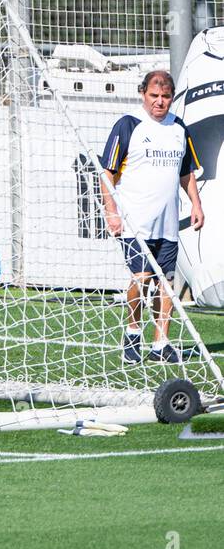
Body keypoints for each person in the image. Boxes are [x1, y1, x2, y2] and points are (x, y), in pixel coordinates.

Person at [100, 69, 205, 364]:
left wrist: (196, 205)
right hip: (135, 222)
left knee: (166, 282)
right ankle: (133, 332)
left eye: (166, 97)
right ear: (143, 94)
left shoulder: (178, 127)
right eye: (154, 96)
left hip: (168, 222)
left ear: (172, 98)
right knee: (142, 278)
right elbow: (106, 174)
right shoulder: (128, 124)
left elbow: (186, 173)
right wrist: (112, 212)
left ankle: (161, 343)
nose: (160, 102)